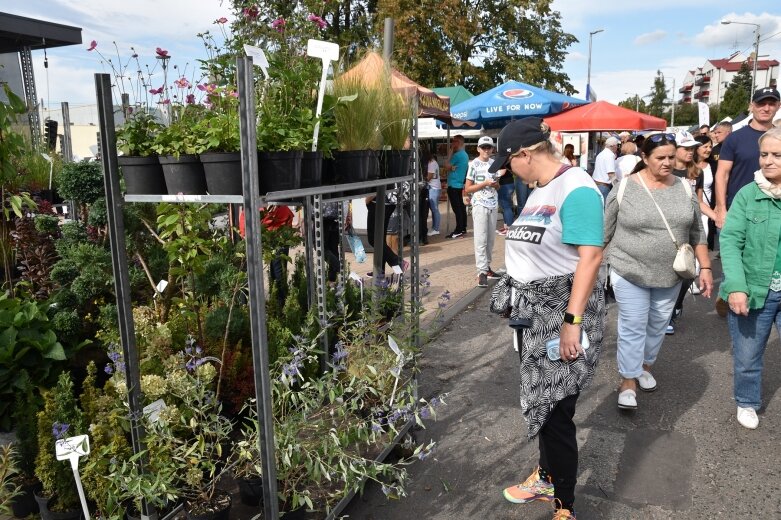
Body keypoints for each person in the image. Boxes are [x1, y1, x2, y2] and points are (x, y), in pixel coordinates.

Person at [490, 117, 605, 520]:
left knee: (556, 413)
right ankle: (545, 476)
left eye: (508, 164)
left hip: (560, 318)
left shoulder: (576, 189)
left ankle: (565, 506)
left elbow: (591, 257)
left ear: (524, 155)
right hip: (532, 317)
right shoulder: (542, 189)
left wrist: (571, 322)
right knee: (543, 401)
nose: (508, 172)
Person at [604, 132, 713, 411]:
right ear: (644, 158)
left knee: (658, 324)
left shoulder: (685, 188)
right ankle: (628, 381)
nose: (667, 163)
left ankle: (644, 366)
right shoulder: (625, 187)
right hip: (629, 268)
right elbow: (604, 230)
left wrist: (707, 267)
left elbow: (696, 232)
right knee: (633, 323)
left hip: (671, 273)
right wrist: (589, 267)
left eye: (671, 157)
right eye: (660, 158)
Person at [720, 127, 781, 429]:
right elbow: (730, 242)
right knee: (747, 357)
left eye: (777, 155)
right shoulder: (748, 193)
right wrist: (736, 288)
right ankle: (746, 401)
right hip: (756, 289)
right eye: (764, 154)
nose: (768, 161)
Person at [715, 87, 781, 228]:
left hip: (774, 208)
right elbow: (722, 174)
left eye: (771, 104)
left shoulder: (779, 138)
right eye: (761, 104)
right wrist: (721, 209)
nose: (766, 108)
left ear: (778, 106)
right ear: (752, 106)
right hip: (739, 210)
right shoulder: (734, 138)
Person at [668, 131, 704, 333]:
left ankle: (676, 306)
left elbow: (698, 203)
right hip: (668, 229)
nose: (691, 152)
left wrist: (717, 215)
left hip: (689, 228)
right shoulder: (664, 170)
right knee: (669, 272)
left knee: (688, 272)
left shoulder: (697, 172)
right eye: (686, 148)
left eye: (692, 148)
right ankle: (666, 314)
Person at [465, 136, 500, 287]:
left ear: (492, 149)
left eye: (489, 147)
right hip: (479, 203)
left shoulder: (494, 164)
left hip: (493, 204)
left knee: (491, 239)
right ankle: (481, 272)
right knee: (481, 238)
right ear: (478, 149)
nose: (486, 150)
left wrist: (494, 185)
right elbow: (468, 188)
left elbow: (498, 186)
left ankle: (487, 267)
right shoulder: (474, 164)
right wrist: (484, 183)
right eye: (483, 147)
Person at [694, 134, 717, 248]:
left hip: (707, 212)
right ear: (696, 147)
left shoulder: (713, 165)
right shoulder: (688, 166)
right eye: (705, 146)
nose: (708, 149)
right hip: (693, 211)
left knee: (703, 244)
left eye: (710, 147)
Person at [446, 134, 469, 238]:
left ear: (458, 143)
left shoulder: (457, 155)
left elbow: (446, 166)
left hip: (453, 184)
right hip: (459, 184)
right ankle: (463, 228)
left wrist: (450, 153)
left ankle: (459, 229)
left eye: (453, 141)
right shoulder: (465, 154)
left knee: (457, 209)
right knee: (461, 207)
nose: (452, 143)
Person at [425, 151, 441, 236]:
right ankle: (435, 228)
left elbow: (429, 176)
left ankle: (436, 228)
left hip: (433, 188)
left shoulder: (431, 163)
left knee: (434, 209)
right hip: (434, 187)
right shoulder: (433, 162)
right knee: (434, 209)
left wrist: (423, 180)